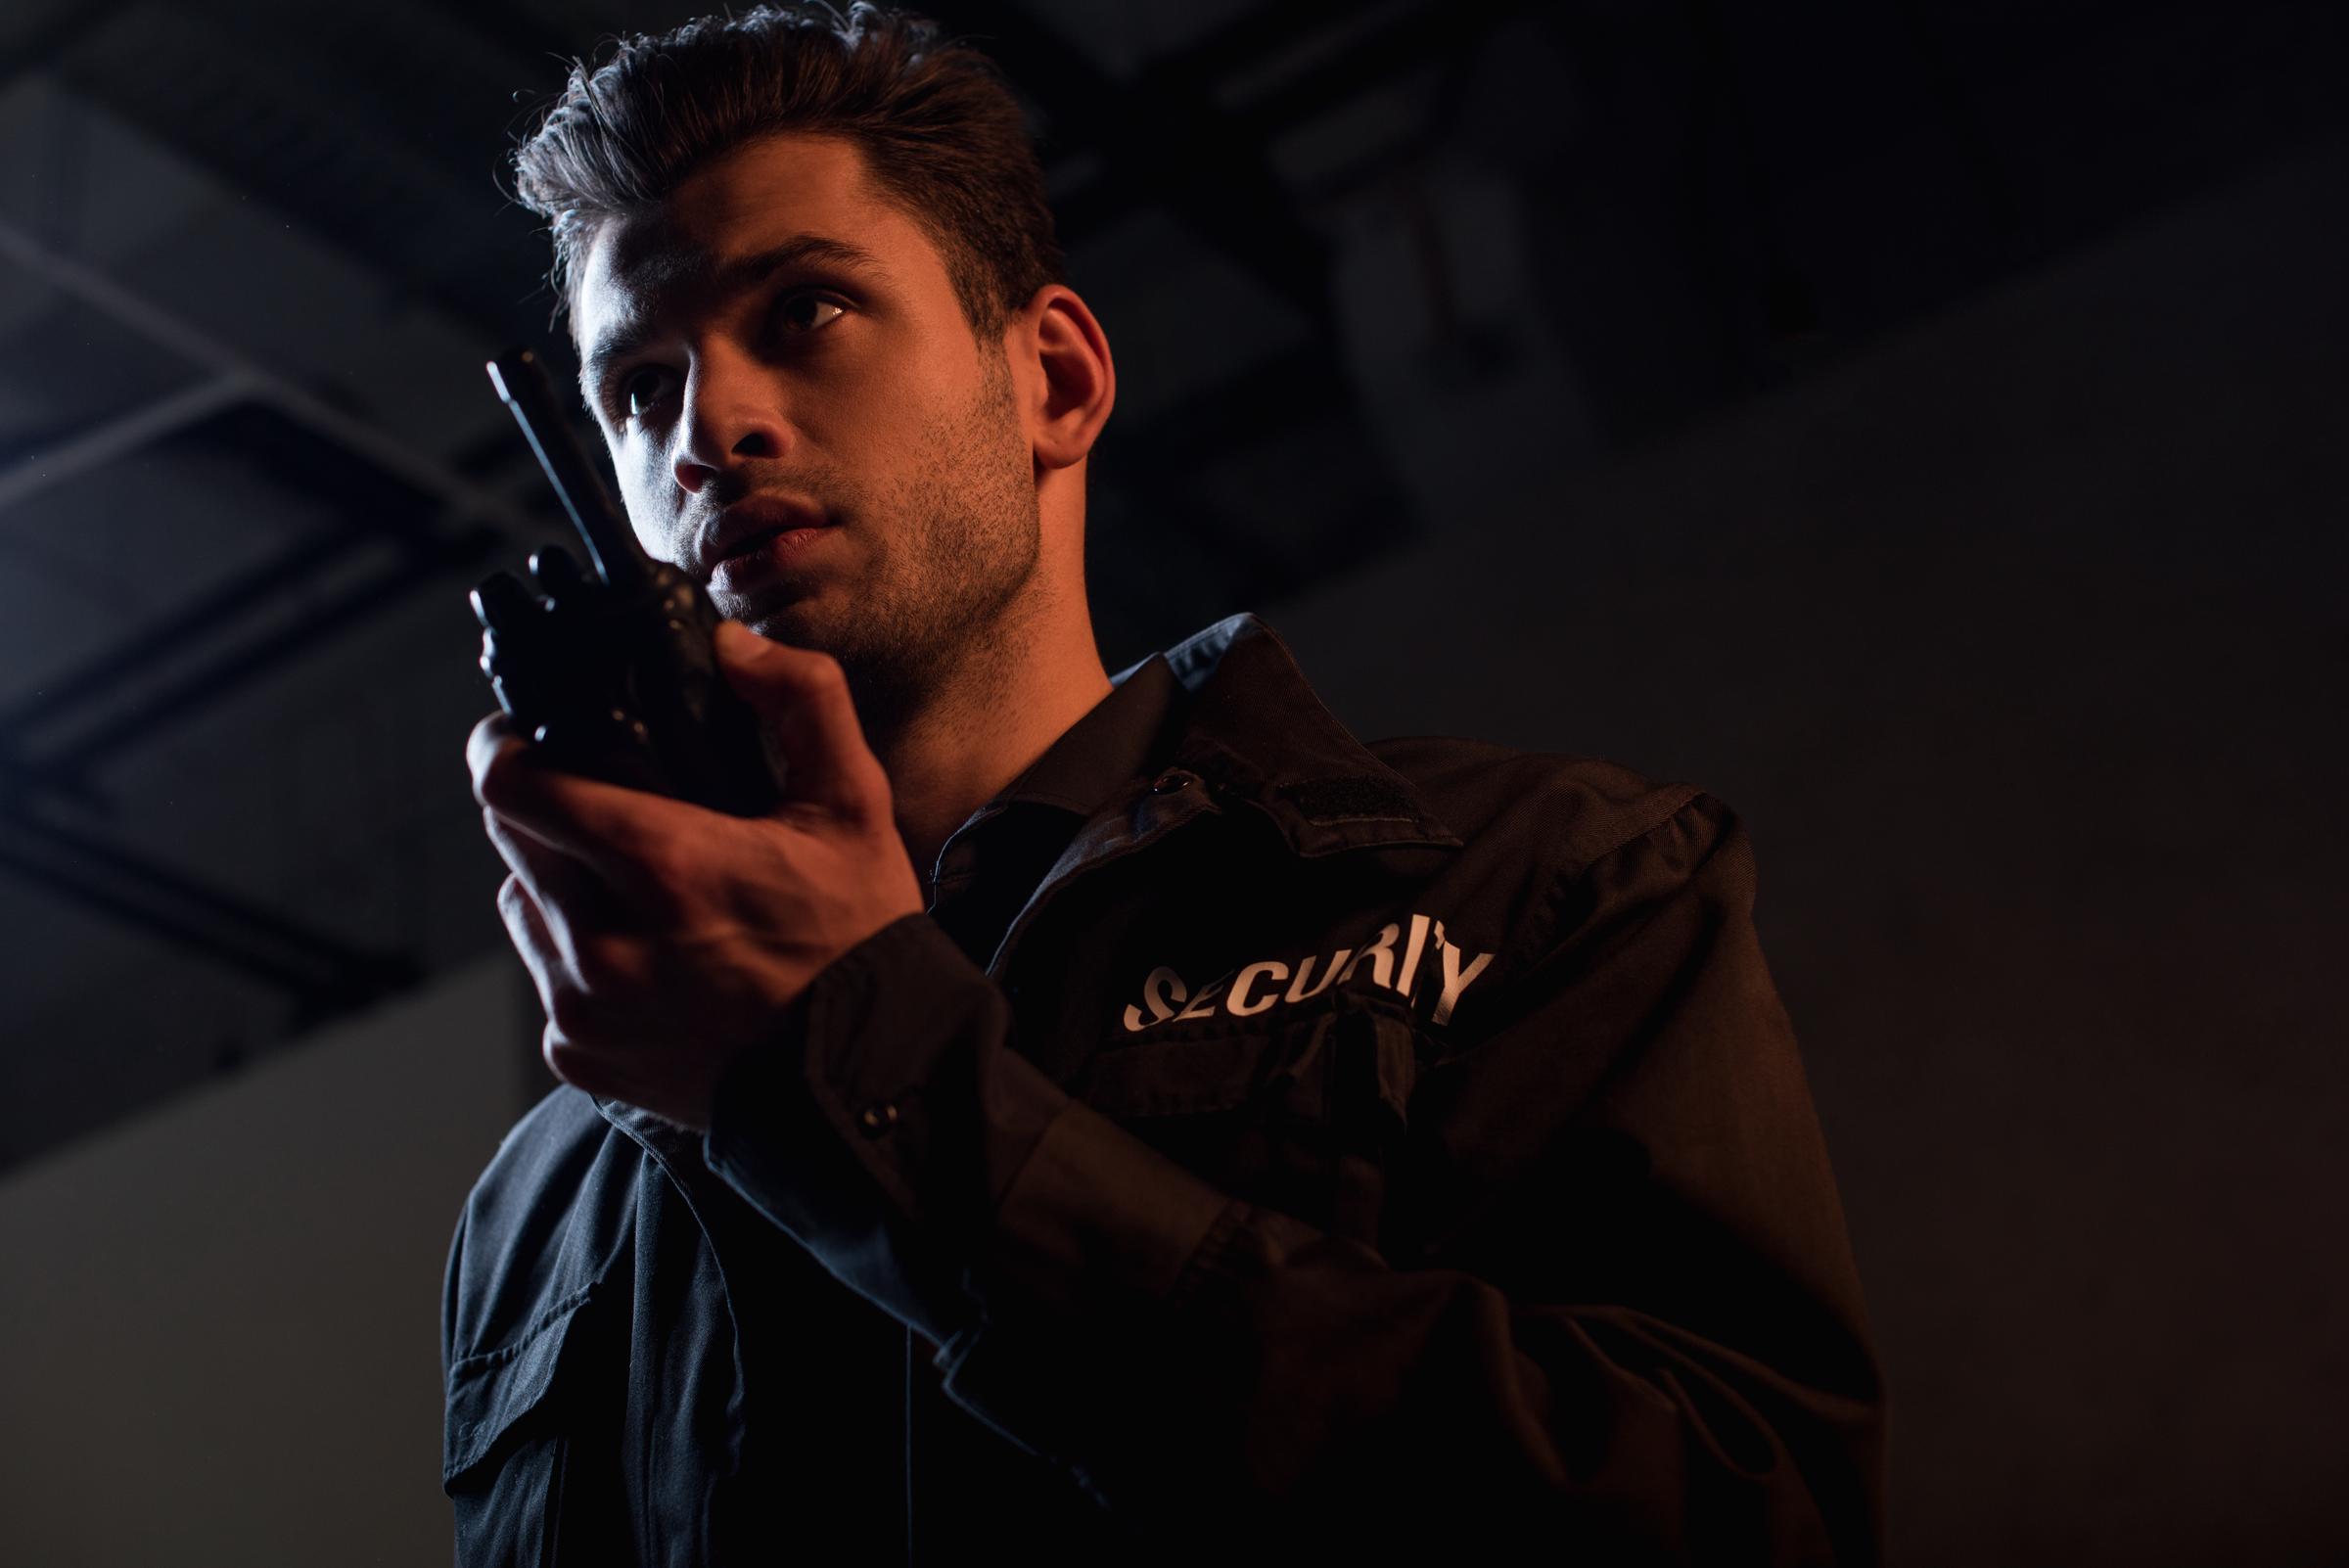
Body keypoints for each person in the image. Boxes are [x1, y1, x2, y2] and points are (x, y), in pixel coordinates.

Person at [445, 4, 1886, 1562]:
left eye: (804, 310)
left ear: (1054, 378)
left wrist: (869, 1074)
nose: (710, 429)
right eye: (640, 393)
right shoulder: (547, 1196)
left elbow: (1746, 1529)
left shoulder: (1538, 887)